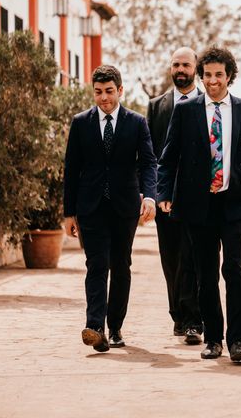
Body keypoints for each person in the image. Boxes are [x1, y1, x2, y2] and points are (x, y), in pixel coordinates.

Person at [158, 46, 241, 363]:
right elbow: (168, 157)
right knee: (206, 275)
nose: (213, 81)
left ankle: (238, 340)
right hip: (198, 206)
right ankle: (214, 339)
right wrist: (163, 192)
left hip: (235, 204)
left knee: (234, 271)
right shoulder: (186, 111)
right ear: (202, 75)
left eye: (218, 75)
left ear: (229, 76)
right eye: (207, 75)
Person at [63, 65, 157, 352]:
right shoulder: (81, 123)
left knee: (121, 266)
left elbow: (149, 163)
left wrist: (149, 196)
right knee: (96, 265)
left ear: (120, 90)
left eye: (108, 91)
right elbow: (71, 168)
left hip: (125, 207)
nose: (103, 98)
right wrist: (69, 212)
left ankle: (115, 327)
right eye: (98, 92)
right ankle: (95, 327)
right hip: (91, 208)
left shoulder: (137, 122)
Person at [147, 47, 203, 345]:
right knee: (171, 259)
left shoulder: (208, 103)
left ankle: (194, 319)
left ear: (196, 68)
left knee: (192, 257)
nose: (180, 69)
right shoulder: (156, 106)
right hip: (164, 196)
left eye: (186, 64)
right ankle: (178, 316)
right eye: (176, 64)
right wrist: (152, 194)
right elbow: (150, 154)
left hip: (198, 197)